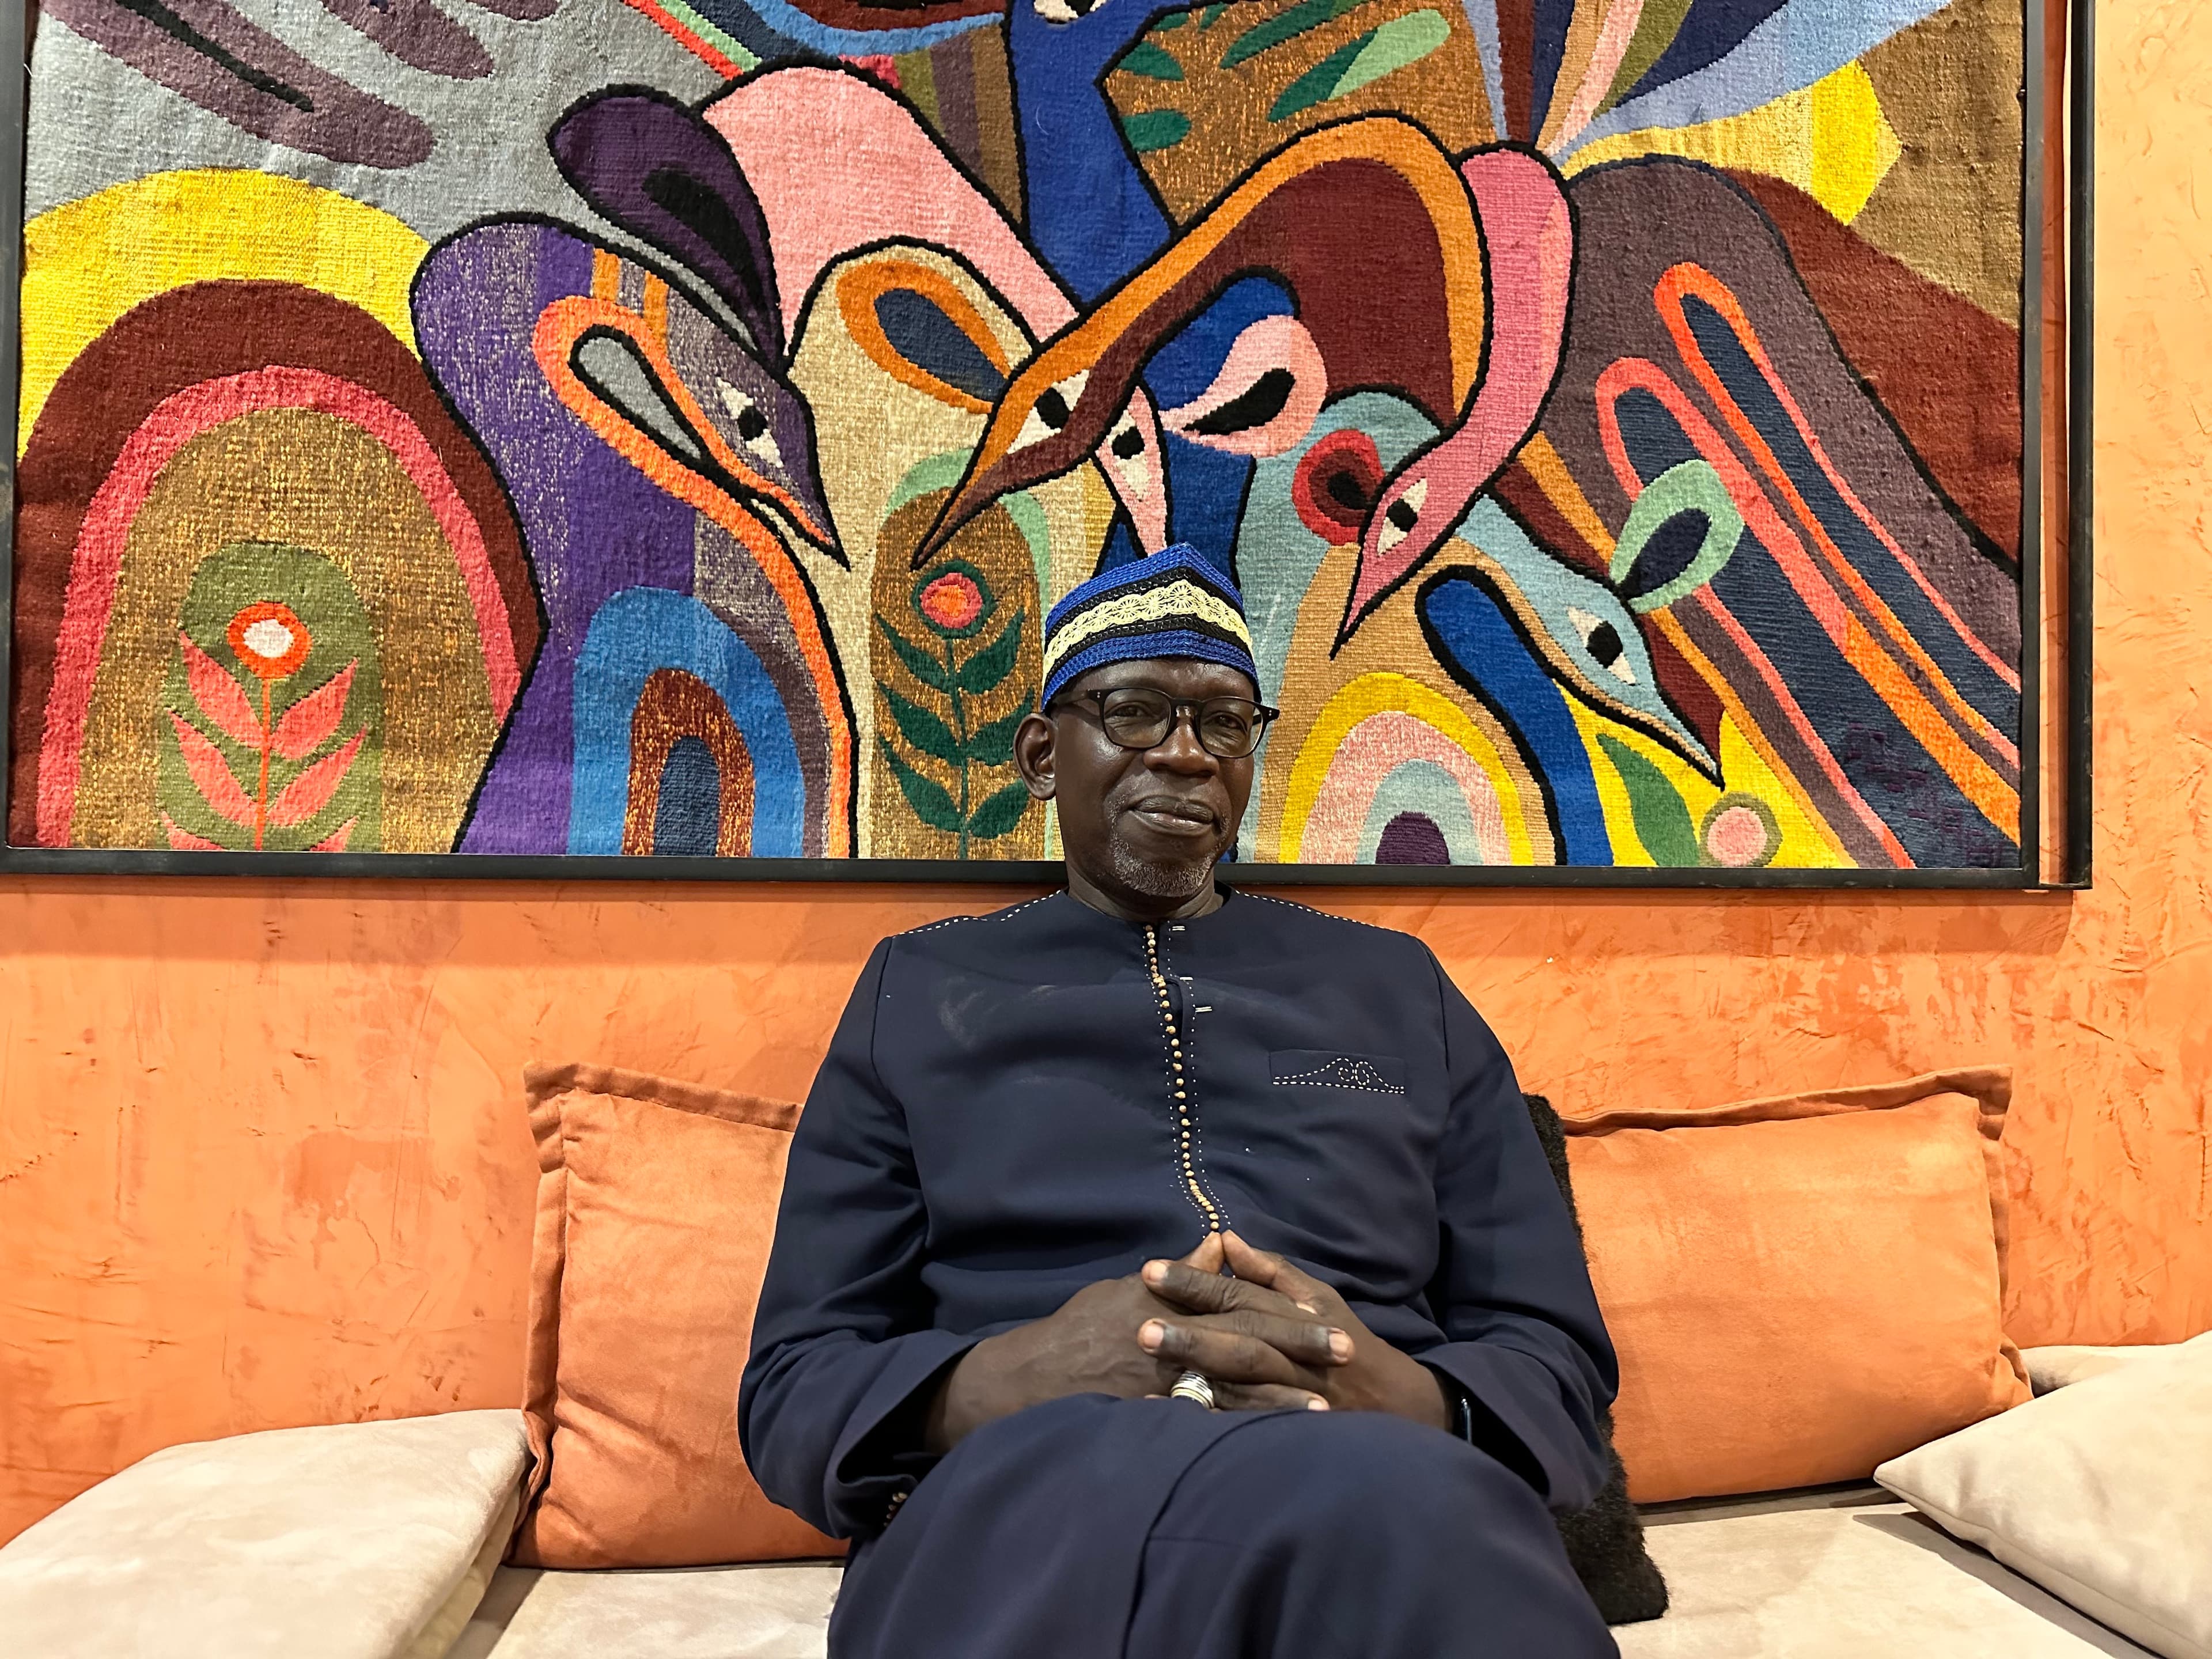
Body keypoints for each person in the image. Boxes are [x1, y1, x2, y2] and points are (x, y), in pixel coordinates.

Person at [741, 546, 1621, 1658]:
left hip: (1381, 1474)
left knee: (1417, 1522)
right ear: (1041, 755)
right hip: (1028, 1478)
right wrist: (1020, 1374)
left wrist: (1410, 1399)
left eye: (1226, 722)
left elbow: (1550, 1347)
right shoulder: (919, 993)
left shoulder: (1401, 992)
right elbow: (794, 1385)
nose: (1190, 756)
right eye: (1139, 711)